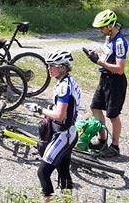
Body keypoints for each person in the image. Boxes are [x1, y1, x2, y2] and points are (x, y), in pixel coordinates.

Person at [28, 50, 82, 203]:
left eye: (52, 66)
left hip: (63, 134)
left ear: (63, 67)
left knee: (43, 172)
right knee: (63, 170)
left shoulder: (64, 87)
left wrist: (39, 109)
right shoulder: (70, 81)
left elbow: (59, 115)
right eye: (48, 66)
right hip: (69, 132)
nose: (49, 69)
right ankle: (67, 200)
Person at [83, 8, 128, 158]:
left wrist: (99, 61)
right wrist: (95, 55)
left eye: (102, 28)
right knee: (95, 107)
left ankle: (115, 147)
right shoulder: (109, 38)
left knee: (113, 115)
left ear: (110, 26)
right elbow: (106, 55)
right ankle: (102, 140)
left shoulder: (120, 42)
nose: (100, 31)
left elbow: (120, 69)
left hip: (115, 81)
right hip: (104, 79)